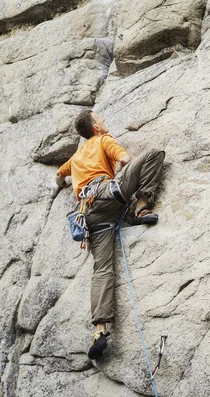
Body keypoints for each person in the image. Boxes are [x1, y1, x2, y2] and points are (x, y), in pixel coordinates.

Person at [55, 110, 165, 360]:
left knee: (102, 269)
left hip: (89, 216)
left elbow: (59, 176)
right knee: (155, 154)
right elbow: (126, 160)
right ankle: (142, 207)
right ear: (96, 127)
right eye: (100, 118)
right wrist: (126, 179)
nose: (103, 121)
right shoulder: (104, 140)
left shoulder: (76, 157)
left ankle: (100, 332)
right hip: (107, 194)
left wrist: (65, 184)